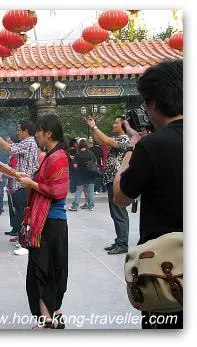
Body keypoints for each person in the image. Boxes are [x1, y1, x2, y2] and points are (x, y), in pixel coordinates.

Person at [113, 59, 183, 329]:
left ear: (152, 104)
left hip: (168, 275)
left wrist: (131, 147)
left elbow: (121, 196)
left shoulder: (152, 146)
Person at [16, 114, 69, 329]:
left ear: (48, 132)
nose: (36, 134)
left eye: (39, 131)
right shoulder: (50, 155)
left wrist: (31, 183)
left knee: (43, 270)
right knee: (52, 268)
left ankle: (48, 319)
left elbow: (58, 190)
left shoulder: (58, 157)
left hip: (50, 222)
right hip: (50, 222)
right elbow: (44, 182)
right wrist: (29, 179)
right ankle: (55, 314)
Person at [0, 120, 38, 256]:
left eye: (19, 130)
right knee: (21, 213)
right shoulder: (27, 142)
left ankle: (26, 242)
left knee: (24, 214)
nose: (18, 132)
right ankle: (23, 239)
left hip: (25, 184)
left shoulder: (29, 142)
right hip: (22, 183)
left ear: (26, 131)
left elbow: (10, 148)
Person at [85, 115, 130, 255]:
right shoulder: (118, 139)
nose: (113, 125)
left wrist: (94, 126)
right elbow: (100, 140)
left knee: (119, 212)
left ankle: (122, 244)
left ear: (123, 126)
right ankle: (119, 240)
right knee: (115, 212)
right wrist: (92, 128)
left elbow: (106, 140)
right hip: (112, 179)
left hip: (118, 180)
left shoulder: (125, 139)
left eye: (116, 123)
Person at [68, 139, 97, 211]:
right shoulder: (91, 153)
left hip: (80, 175)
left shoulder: (77, 154)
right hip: (90, 175)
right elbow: (95, 162)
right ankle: (91, 206)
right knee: (90, 191)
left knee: (78, 191)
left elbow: (75, 165)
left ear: (79, 145)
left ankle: (75, 206)